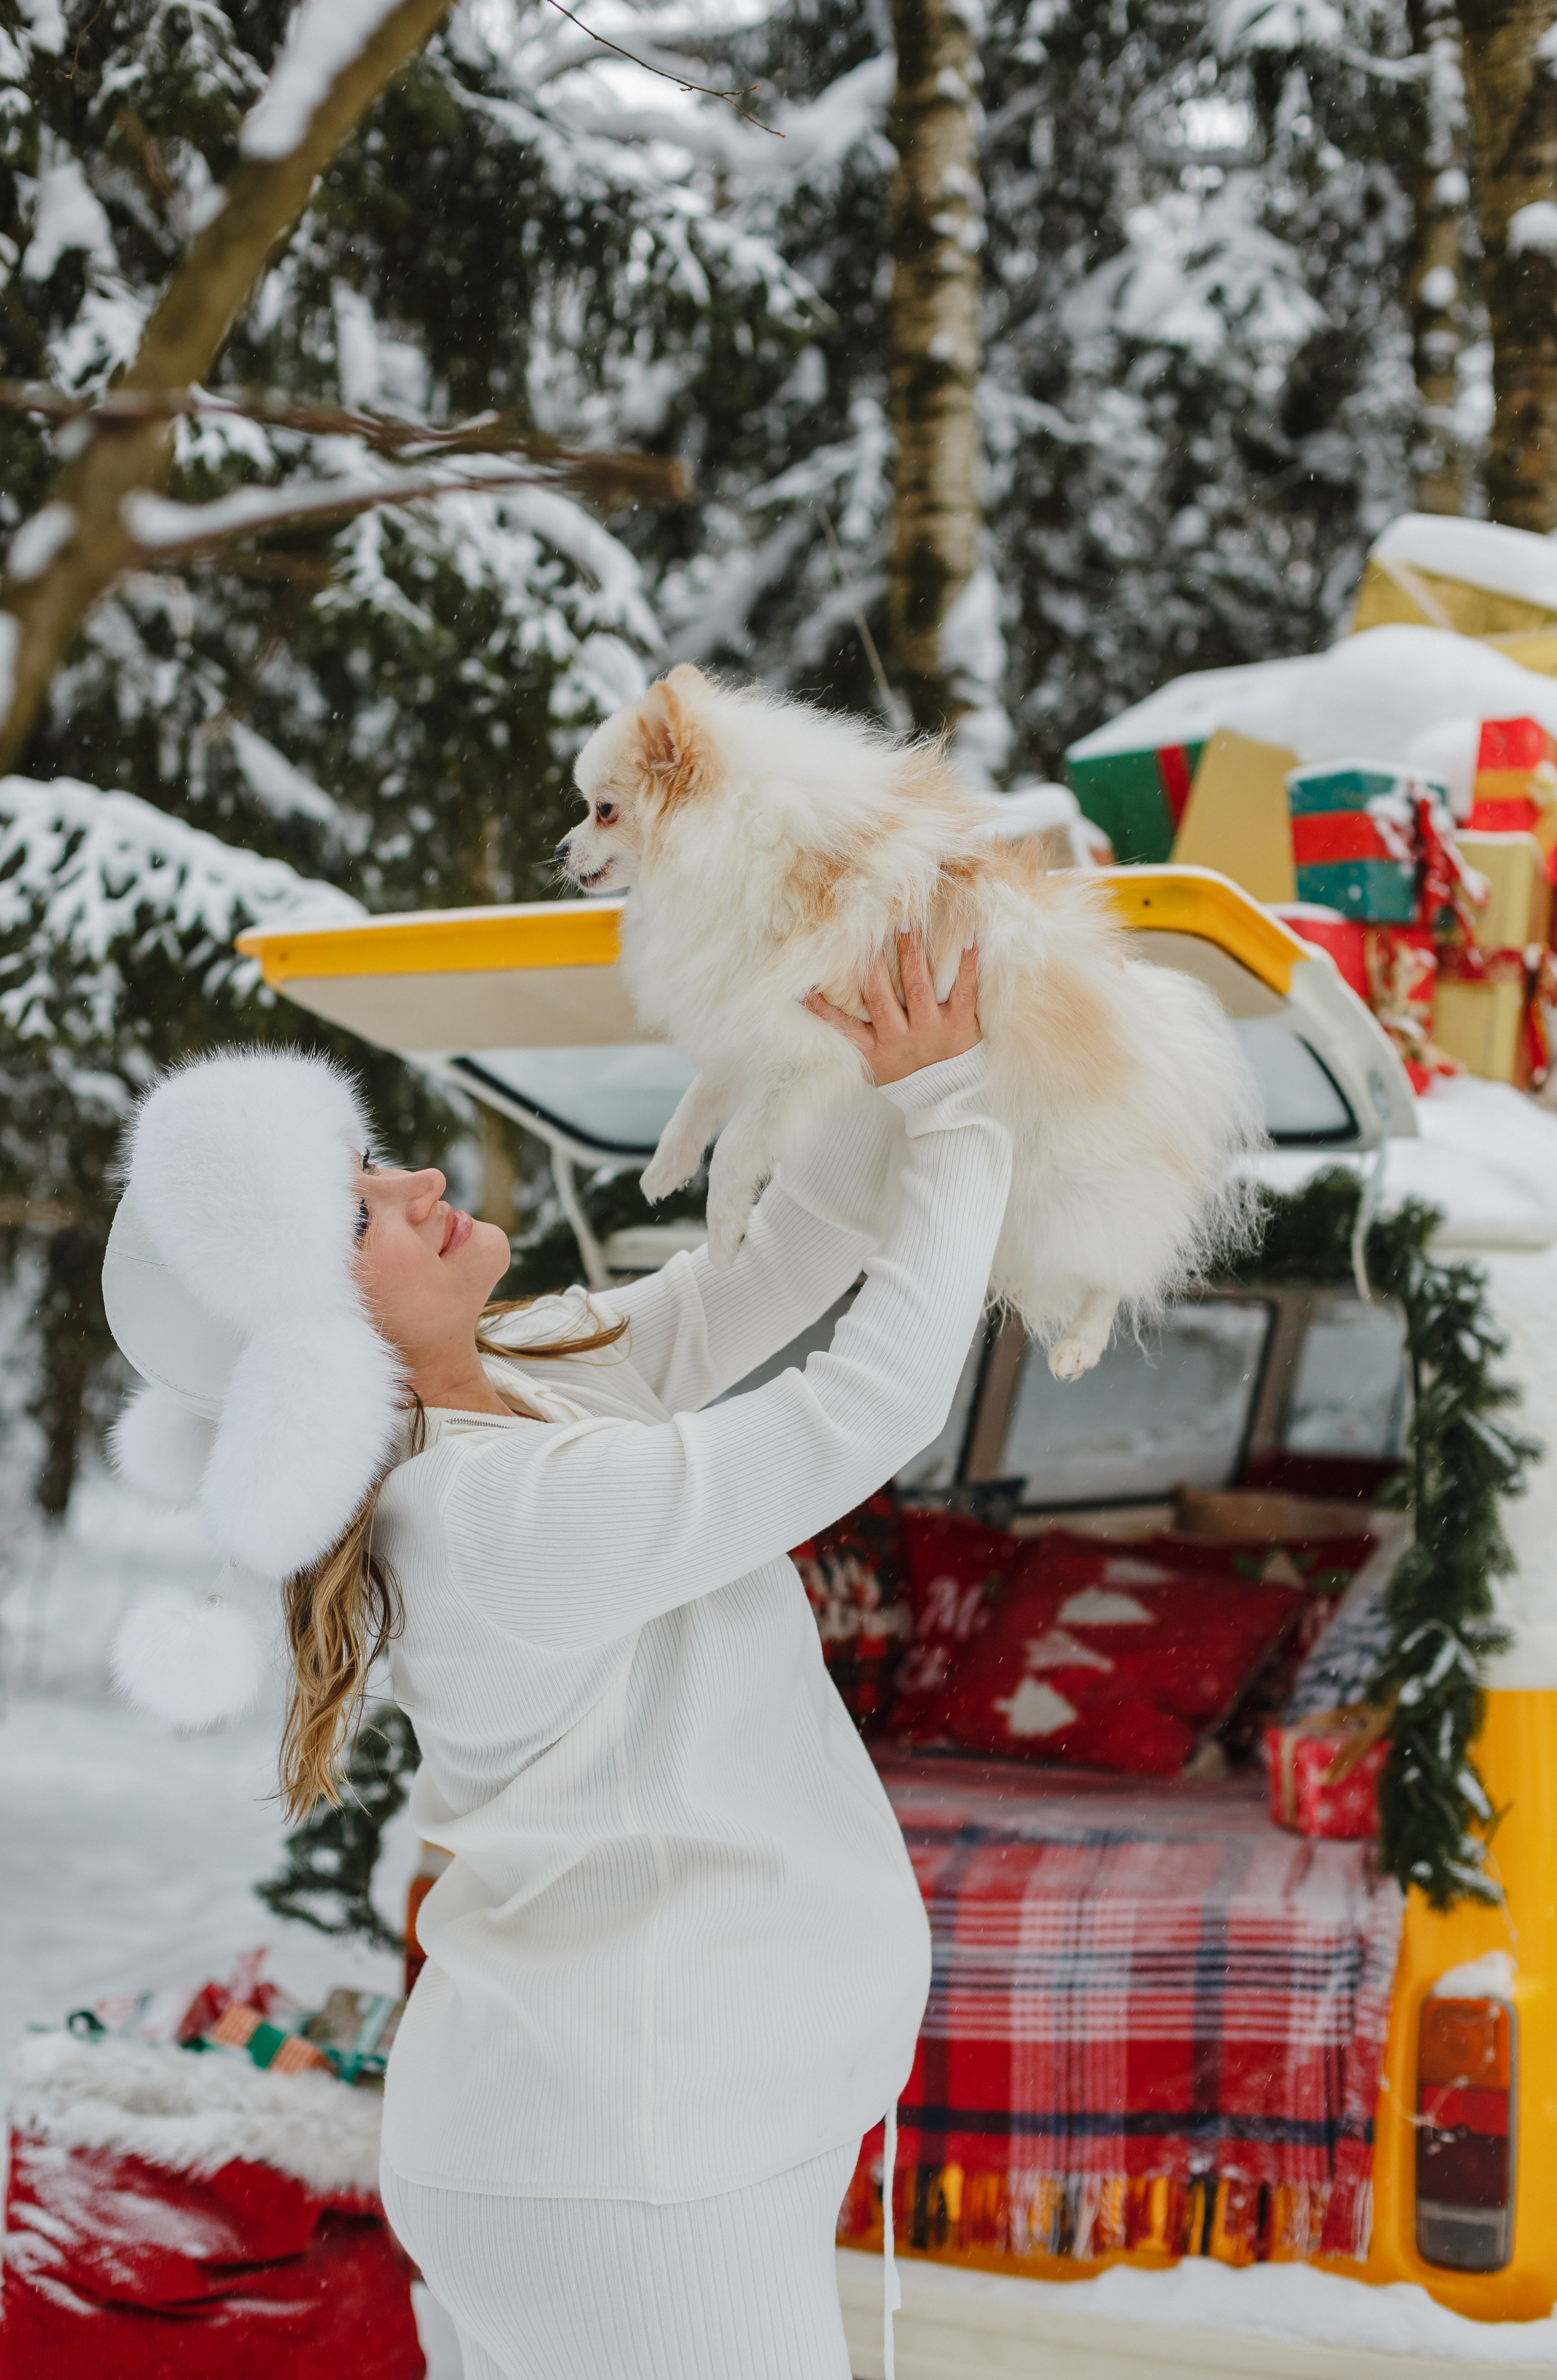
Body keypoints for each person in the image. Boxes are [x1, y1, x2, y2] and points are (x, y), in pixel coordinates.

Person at [101, 933, 1008, 2380]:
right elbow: (867, 1405)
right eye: (357, 1221)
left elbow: (757, 1277)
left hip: (635, 2140)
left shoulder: (514, 1379)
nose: (415, 1183)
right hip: (627, 2163)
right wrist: (957, 1111)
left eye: (371, 1162)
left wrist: (884, 1071)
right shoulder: (486, 1519)